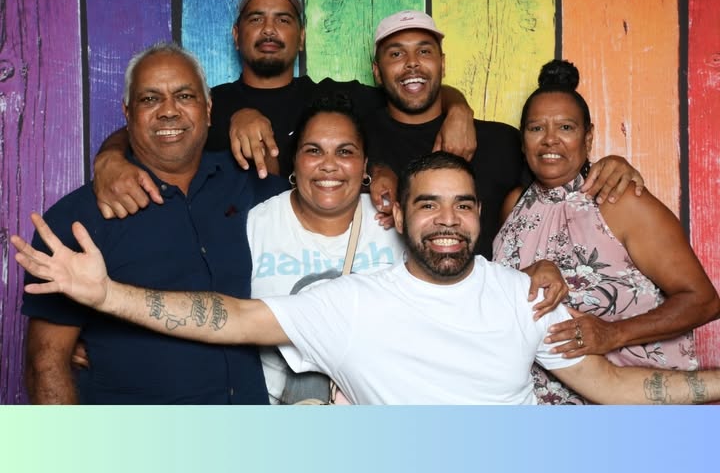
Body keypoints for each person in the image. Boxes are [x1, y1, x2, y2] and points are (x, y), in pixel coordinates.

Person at [12, 152, 719, 405]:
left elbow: (617, 387)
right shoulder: (351, 306)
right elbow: (230, 318)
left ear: (480, 217)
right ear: (398, 216)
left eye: (463, 204)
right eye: (429, 204)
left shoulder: (523, 296)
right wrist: (104, 295)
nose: (448, 220)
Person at [22, 42, 285, 404]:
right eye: (150, 99)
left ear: (208, 109)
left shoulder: (254, 190)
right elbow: (46, 364)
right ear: (127, 113)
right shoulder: (78, 219)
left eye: (184, 96)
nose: (169, 111)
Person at [92, 0, 477, 218]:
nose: (269, 29)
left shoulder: (333, 97)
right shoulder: (207, 104)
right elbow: (146, 124)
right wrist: (109, 158)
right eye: (256, 19)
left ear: (301, 36)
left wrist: (458, 107)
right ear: (236, 35)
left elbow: (407, 88)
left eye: (283, 19)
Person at [492, 59, 720, 404]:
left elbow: (703, 301)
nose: (550, 139)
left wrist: (613, 334)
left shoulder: (619, 200)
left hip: (629, 402)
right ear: (523, 141)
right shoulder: (514, 205)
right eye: (536, 128)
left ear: (588, 137)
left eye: (565, 127)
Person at [365, 10, 645, 258]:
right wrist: (375, 168)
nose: (412, 63)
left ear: (443, 63)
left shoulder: (500, 141)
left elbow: (562, 182)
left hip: (490, 292)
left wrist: (610, 167)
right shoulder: (359, 129)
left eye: (425, 51)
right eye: (396, 54)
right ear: (377, 72)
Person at [248, 97, 405, 403]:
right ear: (295, 161)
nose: (329, 165)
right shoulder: (256, 224)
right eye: (313, 151)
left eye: (345, 152)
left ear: (365, 165)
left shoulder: (395, 222)